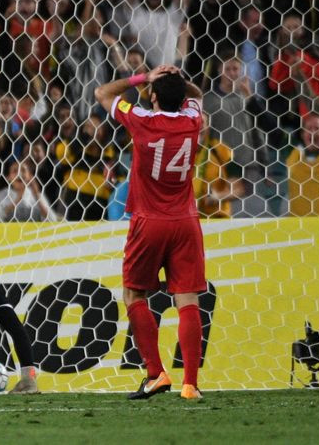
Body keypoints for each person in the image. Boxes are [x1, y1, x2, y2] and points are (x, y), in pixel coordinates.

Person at [94, 64, 205, 402]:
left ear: (153, 97)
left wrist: (145, 77)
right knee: (187, 299)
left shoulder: (140, 119)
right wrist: (177, 80)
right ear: (181, 98)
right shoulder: (192, 120)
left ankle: (156, 373)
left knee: (134, 295)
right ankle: (191, 384)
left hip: (148, 221)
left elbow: (103, 93)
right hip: (186, 222)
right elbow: (197, 96)